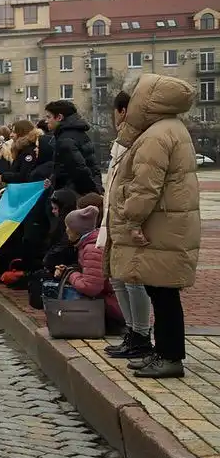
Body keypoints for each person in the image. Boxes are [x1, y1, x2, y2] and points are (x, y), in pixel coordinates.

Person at [106, 74, 201, 379]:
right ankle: (163, 352)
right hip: (168, 222)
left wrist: (133, 219)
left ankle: (170, 356)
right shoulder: (171, 128)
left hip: (159, 225)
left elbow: (146, 185)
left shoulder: (156, 135)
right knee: (160, 292)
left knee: (163, 294)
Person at [99, 90, 153, 361]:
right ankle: (132, 331)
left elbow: (141, 184)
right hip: (115, 217)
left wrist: (133, 219)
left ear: (122, 111)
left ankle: (140, 335)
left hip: (127, 217)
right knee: (117, 276)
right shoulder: (122, 141)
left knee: (132, 279)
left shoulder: (139, 140)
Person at [58, 205, 125, 334]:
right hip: (112, 303)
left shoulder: (92, 249)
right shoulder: (89, 244)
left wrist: (70, 274)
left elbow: (91, 287)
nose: (66, 230)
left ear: (77, 230)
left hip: (113, 309)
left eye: (68, 227)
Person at [44, 99, 102, 194]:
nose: (46, 121)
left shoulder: (65, 139)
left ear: (59, 117)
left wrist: (92, 192)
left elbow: (79, 170)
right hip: (83, 192)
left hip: (72, 194)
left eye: (48, 117)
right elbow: (93, 166)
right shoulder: (79, 133)